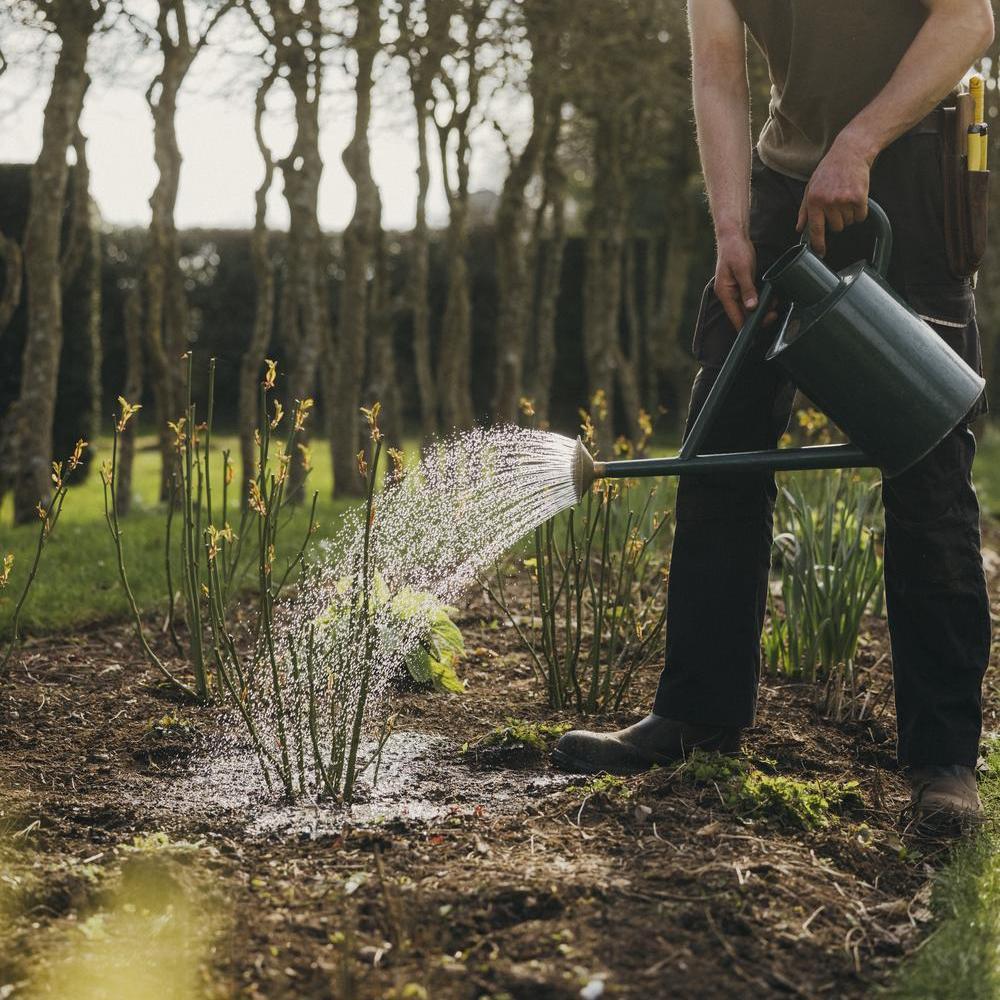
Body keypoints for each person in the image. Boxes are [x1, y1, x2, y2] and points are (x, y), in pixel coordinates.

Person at [553, 0, 995, 827]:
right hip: (786, 183)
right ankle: (697, 715)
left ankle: (944, 762)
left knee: (926, 463)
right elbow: (719, 70)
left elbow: (970, 21)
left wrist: (859, 144)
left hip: (918, 169)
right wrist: (730, 225)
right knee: (720, 441)